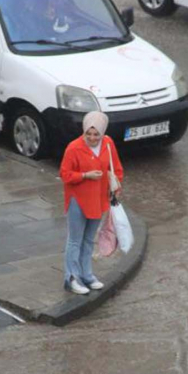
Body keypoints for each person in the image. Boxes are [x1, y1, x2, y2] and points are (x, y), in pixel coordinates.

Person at [58, 111, 123, 295]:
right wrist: (85, 175)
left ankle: (87, 275)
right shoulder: (73, 148)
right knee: (75, 240)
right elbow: (65, 174)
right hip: (77, 200)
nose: (92, 138)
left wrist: (115, 185)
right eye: (89, 134)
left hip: (99, 199)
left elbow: (116, 168)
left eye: (96, 134)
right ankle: (71, 278)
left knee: (88, 240)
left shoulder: (108, 144)